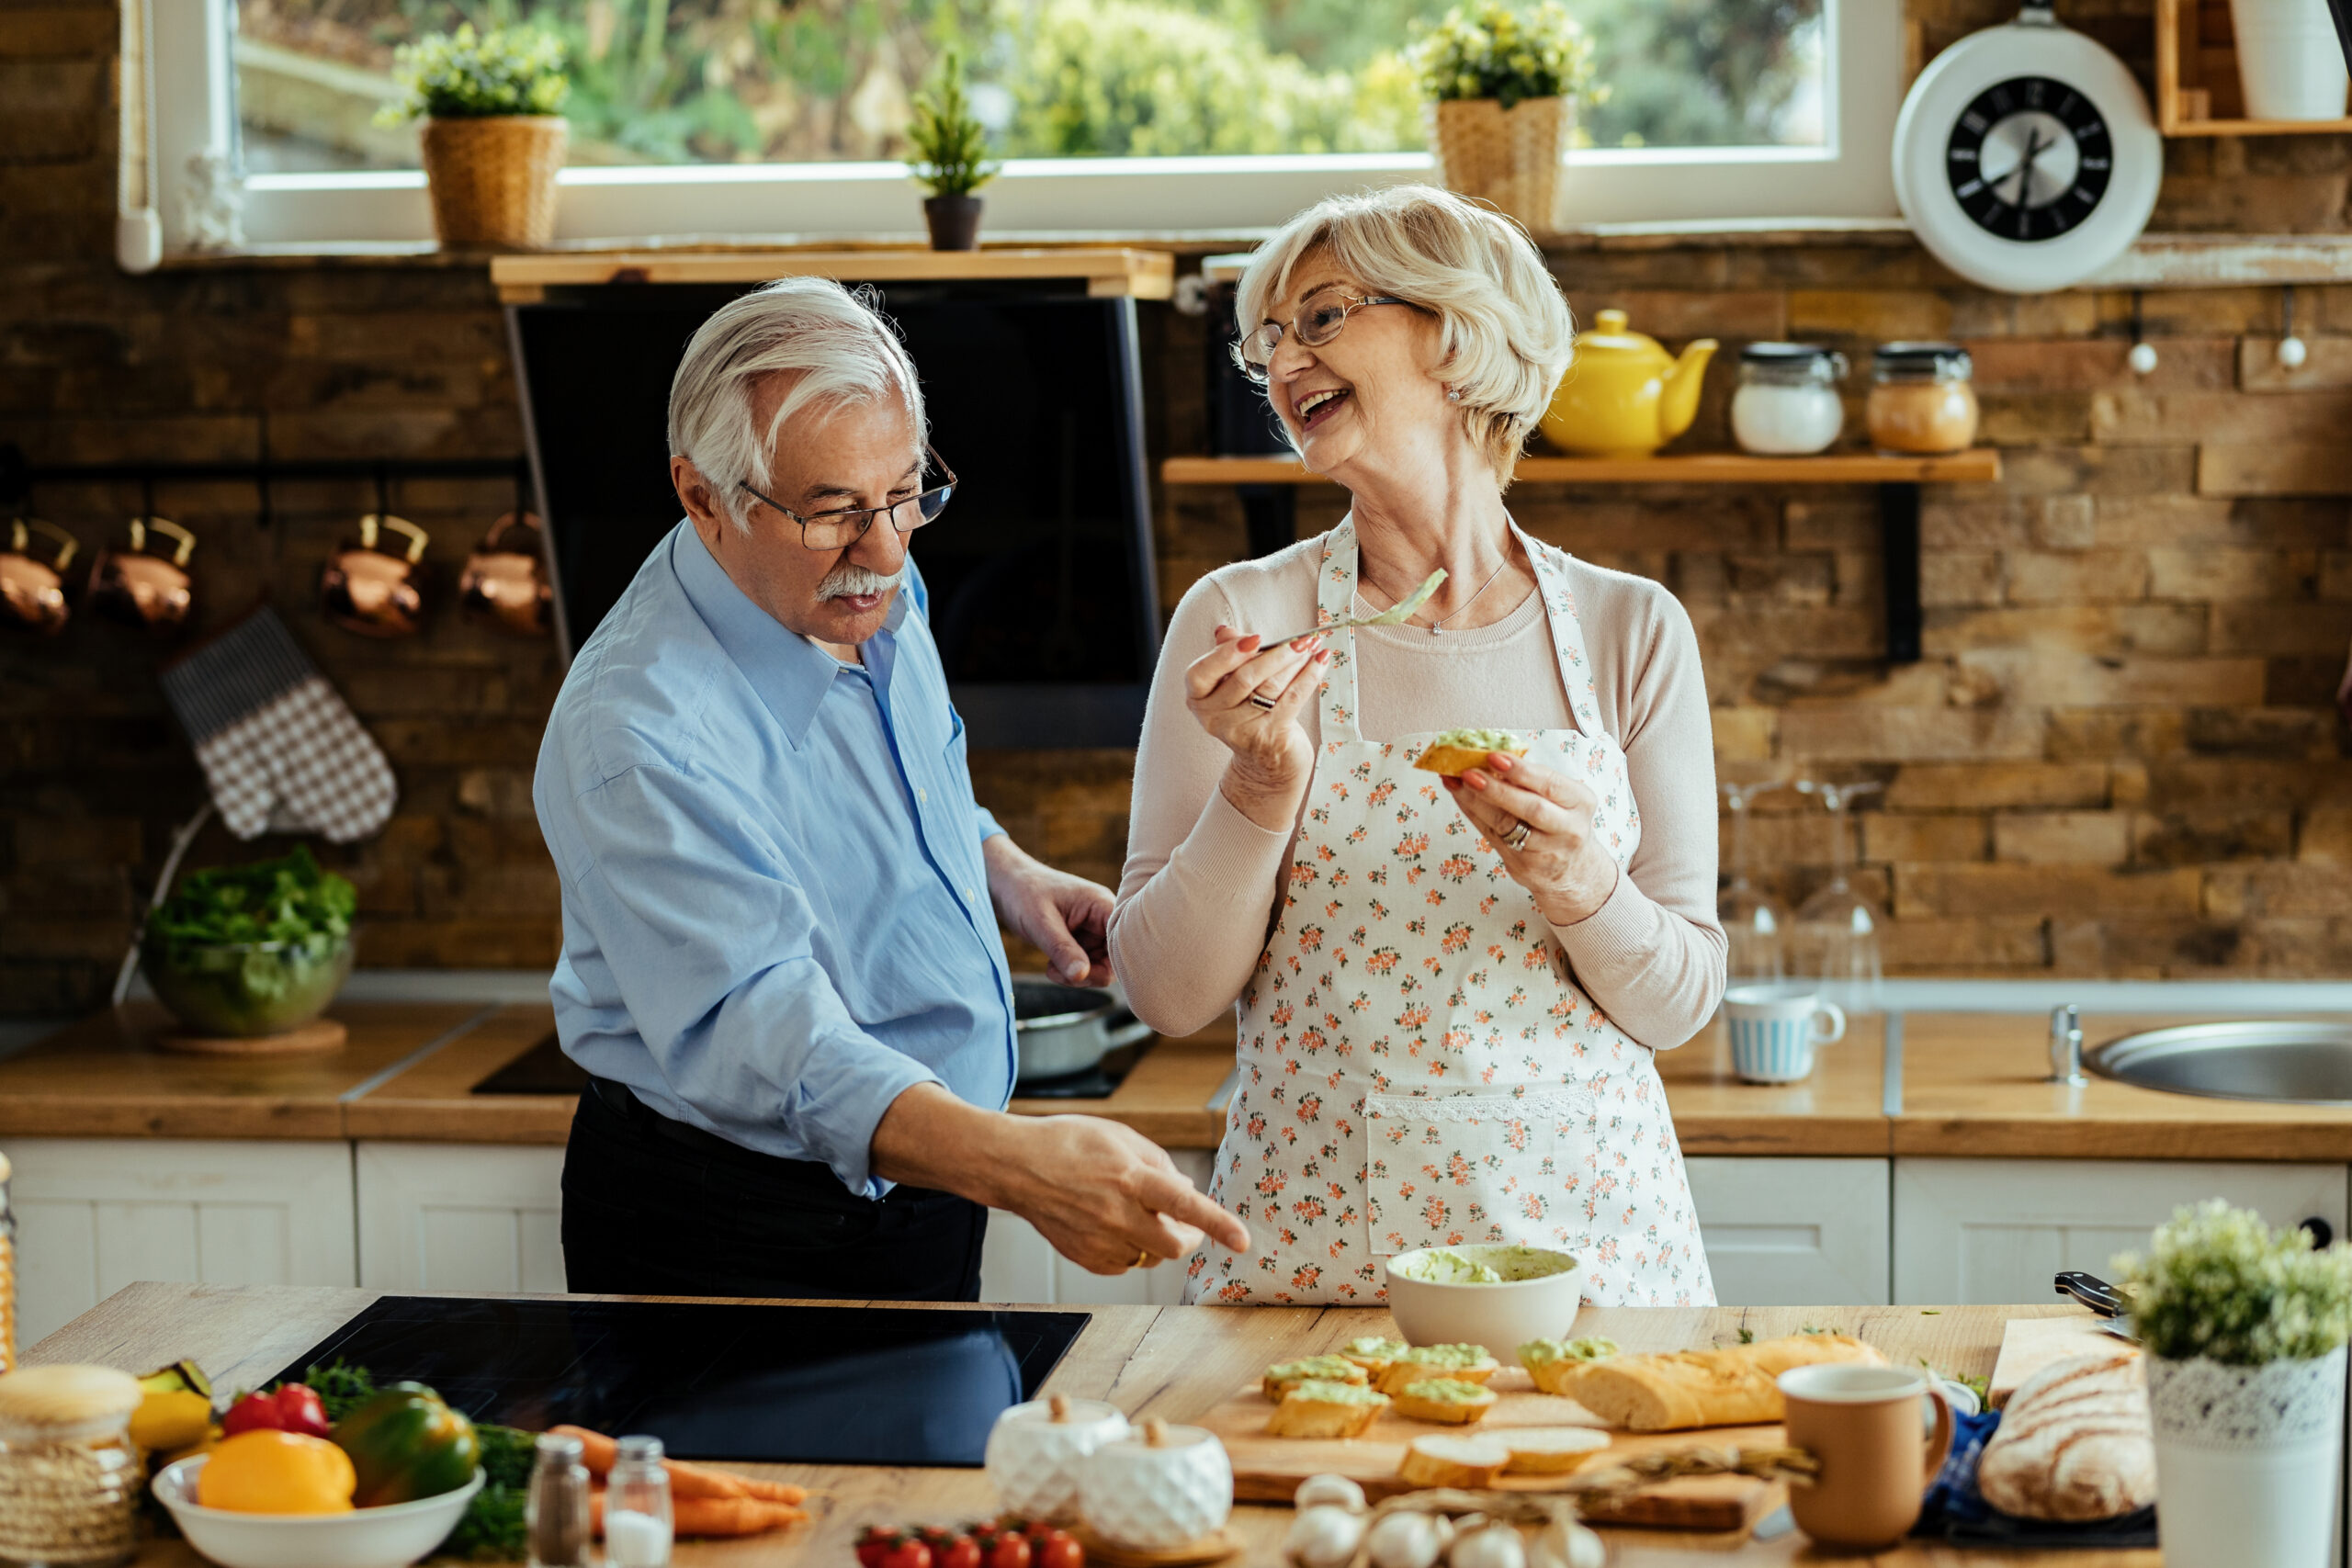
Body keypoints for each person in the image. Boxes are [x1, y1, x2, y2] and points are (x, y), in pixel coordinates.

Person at [536, 276, 1250, 1302]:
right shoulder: (638, 736)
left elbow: (906, 774)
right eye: (832, 512)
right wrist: (1017, 1163)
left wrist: (999, 867)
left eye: (905, 494)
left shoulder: (864, 580)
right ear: (703, 498)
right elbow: (766, 1032)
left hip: (919, 1185)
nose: (884, 551)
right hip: (734, 1227)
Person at [1110, 186, 1725, 1308]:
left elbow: (1679, 1002)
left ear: (1455, 329)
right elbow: (1161, 991)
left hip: (1596, 1267)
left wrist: (1583, 885)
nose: (1285, 357)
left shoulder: (1630, 629)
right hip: (1319, 1275)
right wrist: (1258, 785)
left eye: (1324, 316)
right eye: (1271, 335)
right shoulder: (1240, 621)